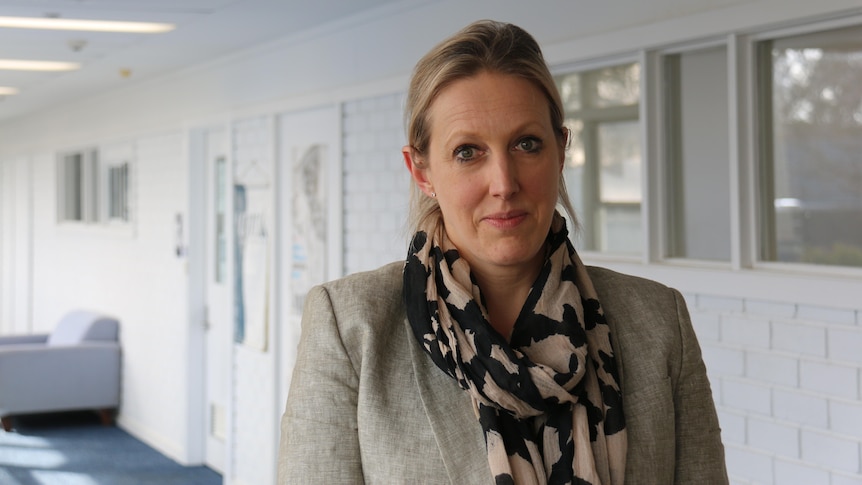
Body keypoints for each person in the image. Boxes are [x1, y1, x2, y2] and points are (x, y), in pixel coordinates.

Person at [278, 19, 728, 485]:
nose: (505, 184)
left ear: (560, 150)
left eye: (526, 144)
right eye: (468, 152)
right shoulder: (352, 328)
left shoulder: (658, 322)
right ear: (422, 171)